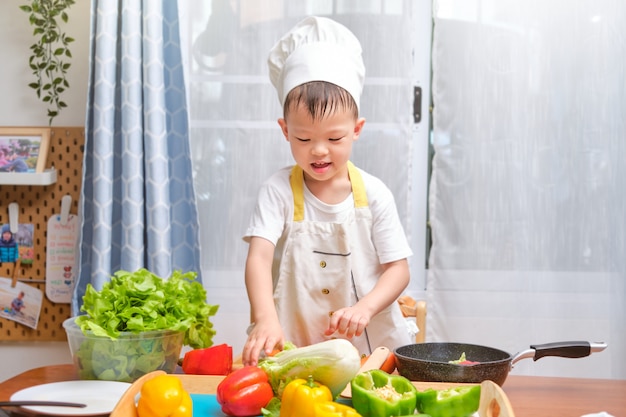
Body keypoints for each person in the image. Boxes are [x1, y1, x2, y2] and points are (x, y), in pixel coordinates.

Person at [242, 16, 413, 366]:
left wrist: (364, 308)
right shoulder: (277, 192)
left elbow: (399, 269)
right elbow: (258, 258)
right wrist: (265, 318)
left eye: (334, 138)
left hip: (372, 351)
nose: (319, 150)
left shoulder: (375, 193)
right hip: (294, 345)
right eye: (304, 138)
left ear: (357, 130)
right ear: (285, 130)